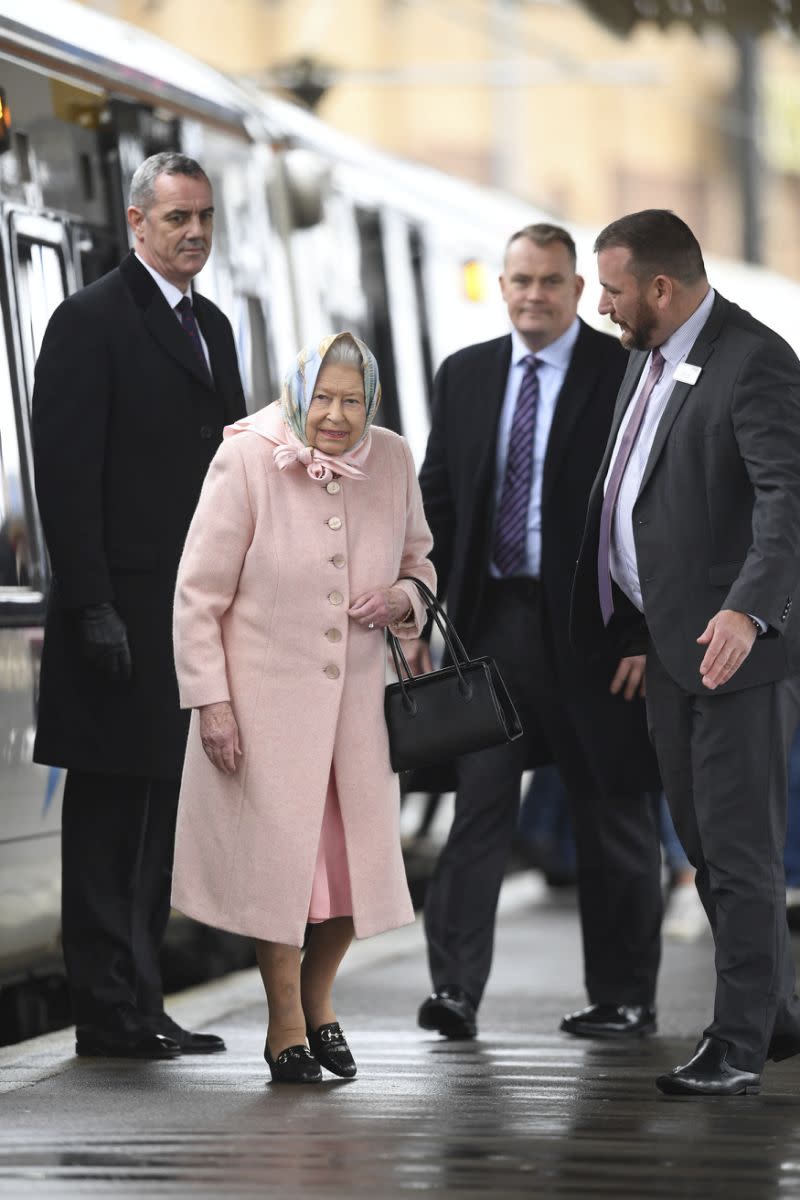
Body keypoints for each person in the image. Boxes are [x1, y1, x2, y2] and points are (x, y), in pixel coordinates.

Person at [408, 223, 663, 1042]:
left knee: (611, 813)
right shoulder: (466, 376)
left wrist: (645, 634)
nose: (532, 296)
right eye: (519, 280)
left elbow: (655, 513)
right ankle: (453, 992)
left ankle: (623, 997)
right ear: (503, 284)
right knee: (478, 814)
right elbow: (437, 504)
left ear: (578, 291)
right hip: (493, 632)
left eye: (551, 282)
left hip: (597, 635)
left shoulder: (624, 372)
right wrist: (420, 608)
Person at [572, 208, 800, 1096]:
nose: (603, 306)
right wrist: (633, 624)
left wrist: (749, 612)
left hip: (733, 652)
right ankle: (773, 1013)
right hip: (670, 649)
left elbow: (788, 502)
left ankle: (738, 1044)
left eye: (614, 290)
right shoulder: (651, 359)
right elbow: (647, 500)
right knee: (706, 847)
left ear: (661, 288)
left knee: (739, 852)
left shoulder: (756, 360)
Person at [170, 332, 436, 1083]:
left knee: (355, 877)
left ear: (372, 402)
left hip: (358, 715)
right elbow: (198, 596)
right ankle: (285, 1021)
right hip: (263, 711)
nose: (336, 415)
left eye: (353, 400)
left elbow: (421, 563)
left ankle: (319, 1002)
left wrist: (404, 599)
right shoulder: (248, 457)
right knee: (280, 876)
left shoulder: (393, 460)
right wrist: (211, 703)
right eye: (322, 397)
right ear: (297, 394)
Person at [32, 151, 245, 1059]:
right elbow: (66, 479)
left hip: (187, 618)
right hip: (116, 621)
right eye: (176, 220)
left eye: (204, 218)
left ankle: (142, 998)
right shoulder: (88, 322)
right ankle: (106, 1011)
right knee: (111, 821)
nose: (193, 233)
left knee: (164, 818)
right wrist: (91, 610)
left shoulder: (216, 328)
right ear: (136, 224)